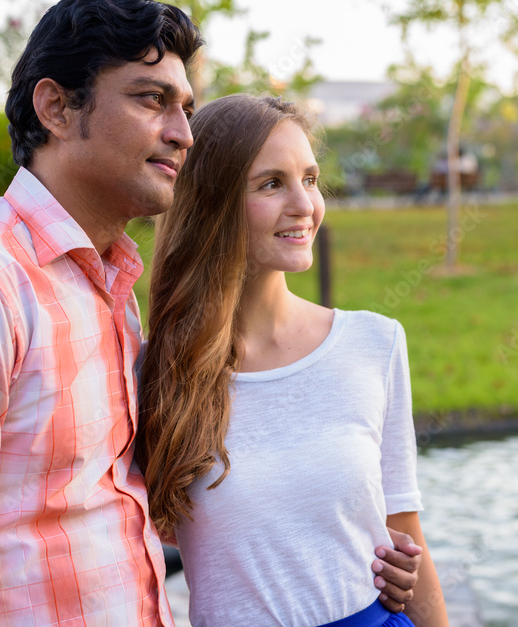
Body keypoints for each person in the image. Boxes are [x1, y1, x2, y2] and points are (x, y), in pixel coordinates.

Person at [0, 0, 419, 625]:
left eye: (184, 106)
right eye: (151, 99)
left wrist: (352, 558)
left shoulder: (106, 287)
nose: (184, 133)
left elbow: (126, 504)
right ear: (57, 108)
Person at [137, 94, 450, 626]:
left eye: (309, 178)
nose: (305, 204)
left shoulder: (375, 344)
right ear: (211, 204)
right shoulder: (156, 371)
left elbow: (404, 528)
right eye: (271, 183)